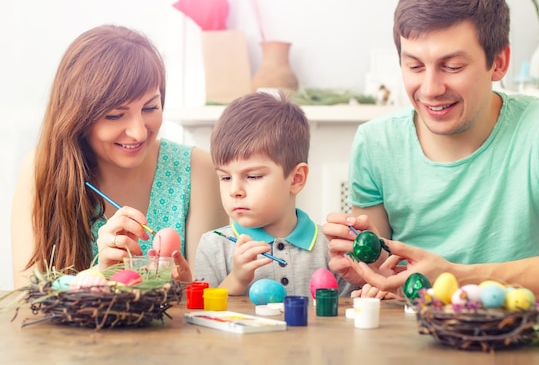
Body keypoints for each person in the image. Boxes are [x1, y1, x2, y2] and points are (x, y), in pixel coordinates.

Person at [322, 0, 539, 302]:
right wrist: (368, 268)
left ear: (499, 61)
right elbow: (382, 274)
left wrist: (457, 278)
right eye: (415, 66)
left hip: (522, 341)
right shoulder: (376, 144)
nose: (431, 89)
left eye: (452, 66)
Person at [10, 25, 228, 288]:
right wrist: (100, 275)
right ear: (77, 117)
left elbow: (211, 298)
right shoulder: (41, 169)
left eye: (150, 107)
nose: (138, 132)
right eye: (115, 115)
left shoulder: (197, 170)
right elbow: (26, 298)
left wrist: (183, 287)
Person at [194, 91, 353, 297]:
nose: (235, 191)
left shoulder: (331, 248)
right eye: (225, 178)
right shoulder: (214, 246)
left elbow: (348, 317)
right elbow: (204, 317)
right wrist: (237, 279)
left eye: (252, 176)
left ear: (296, 179)